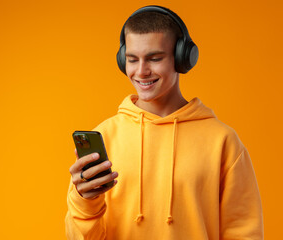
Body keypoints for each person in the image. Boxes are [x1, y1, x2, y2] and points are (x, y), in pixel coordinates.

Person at [65, 5, 263, 239]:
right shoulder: (105, 136)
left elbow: (243, 232)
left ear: (182, 59)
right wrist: (84, 203)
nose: (141, 71)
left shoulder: (223, 141)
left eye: (154, 58)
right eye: (132, 59)